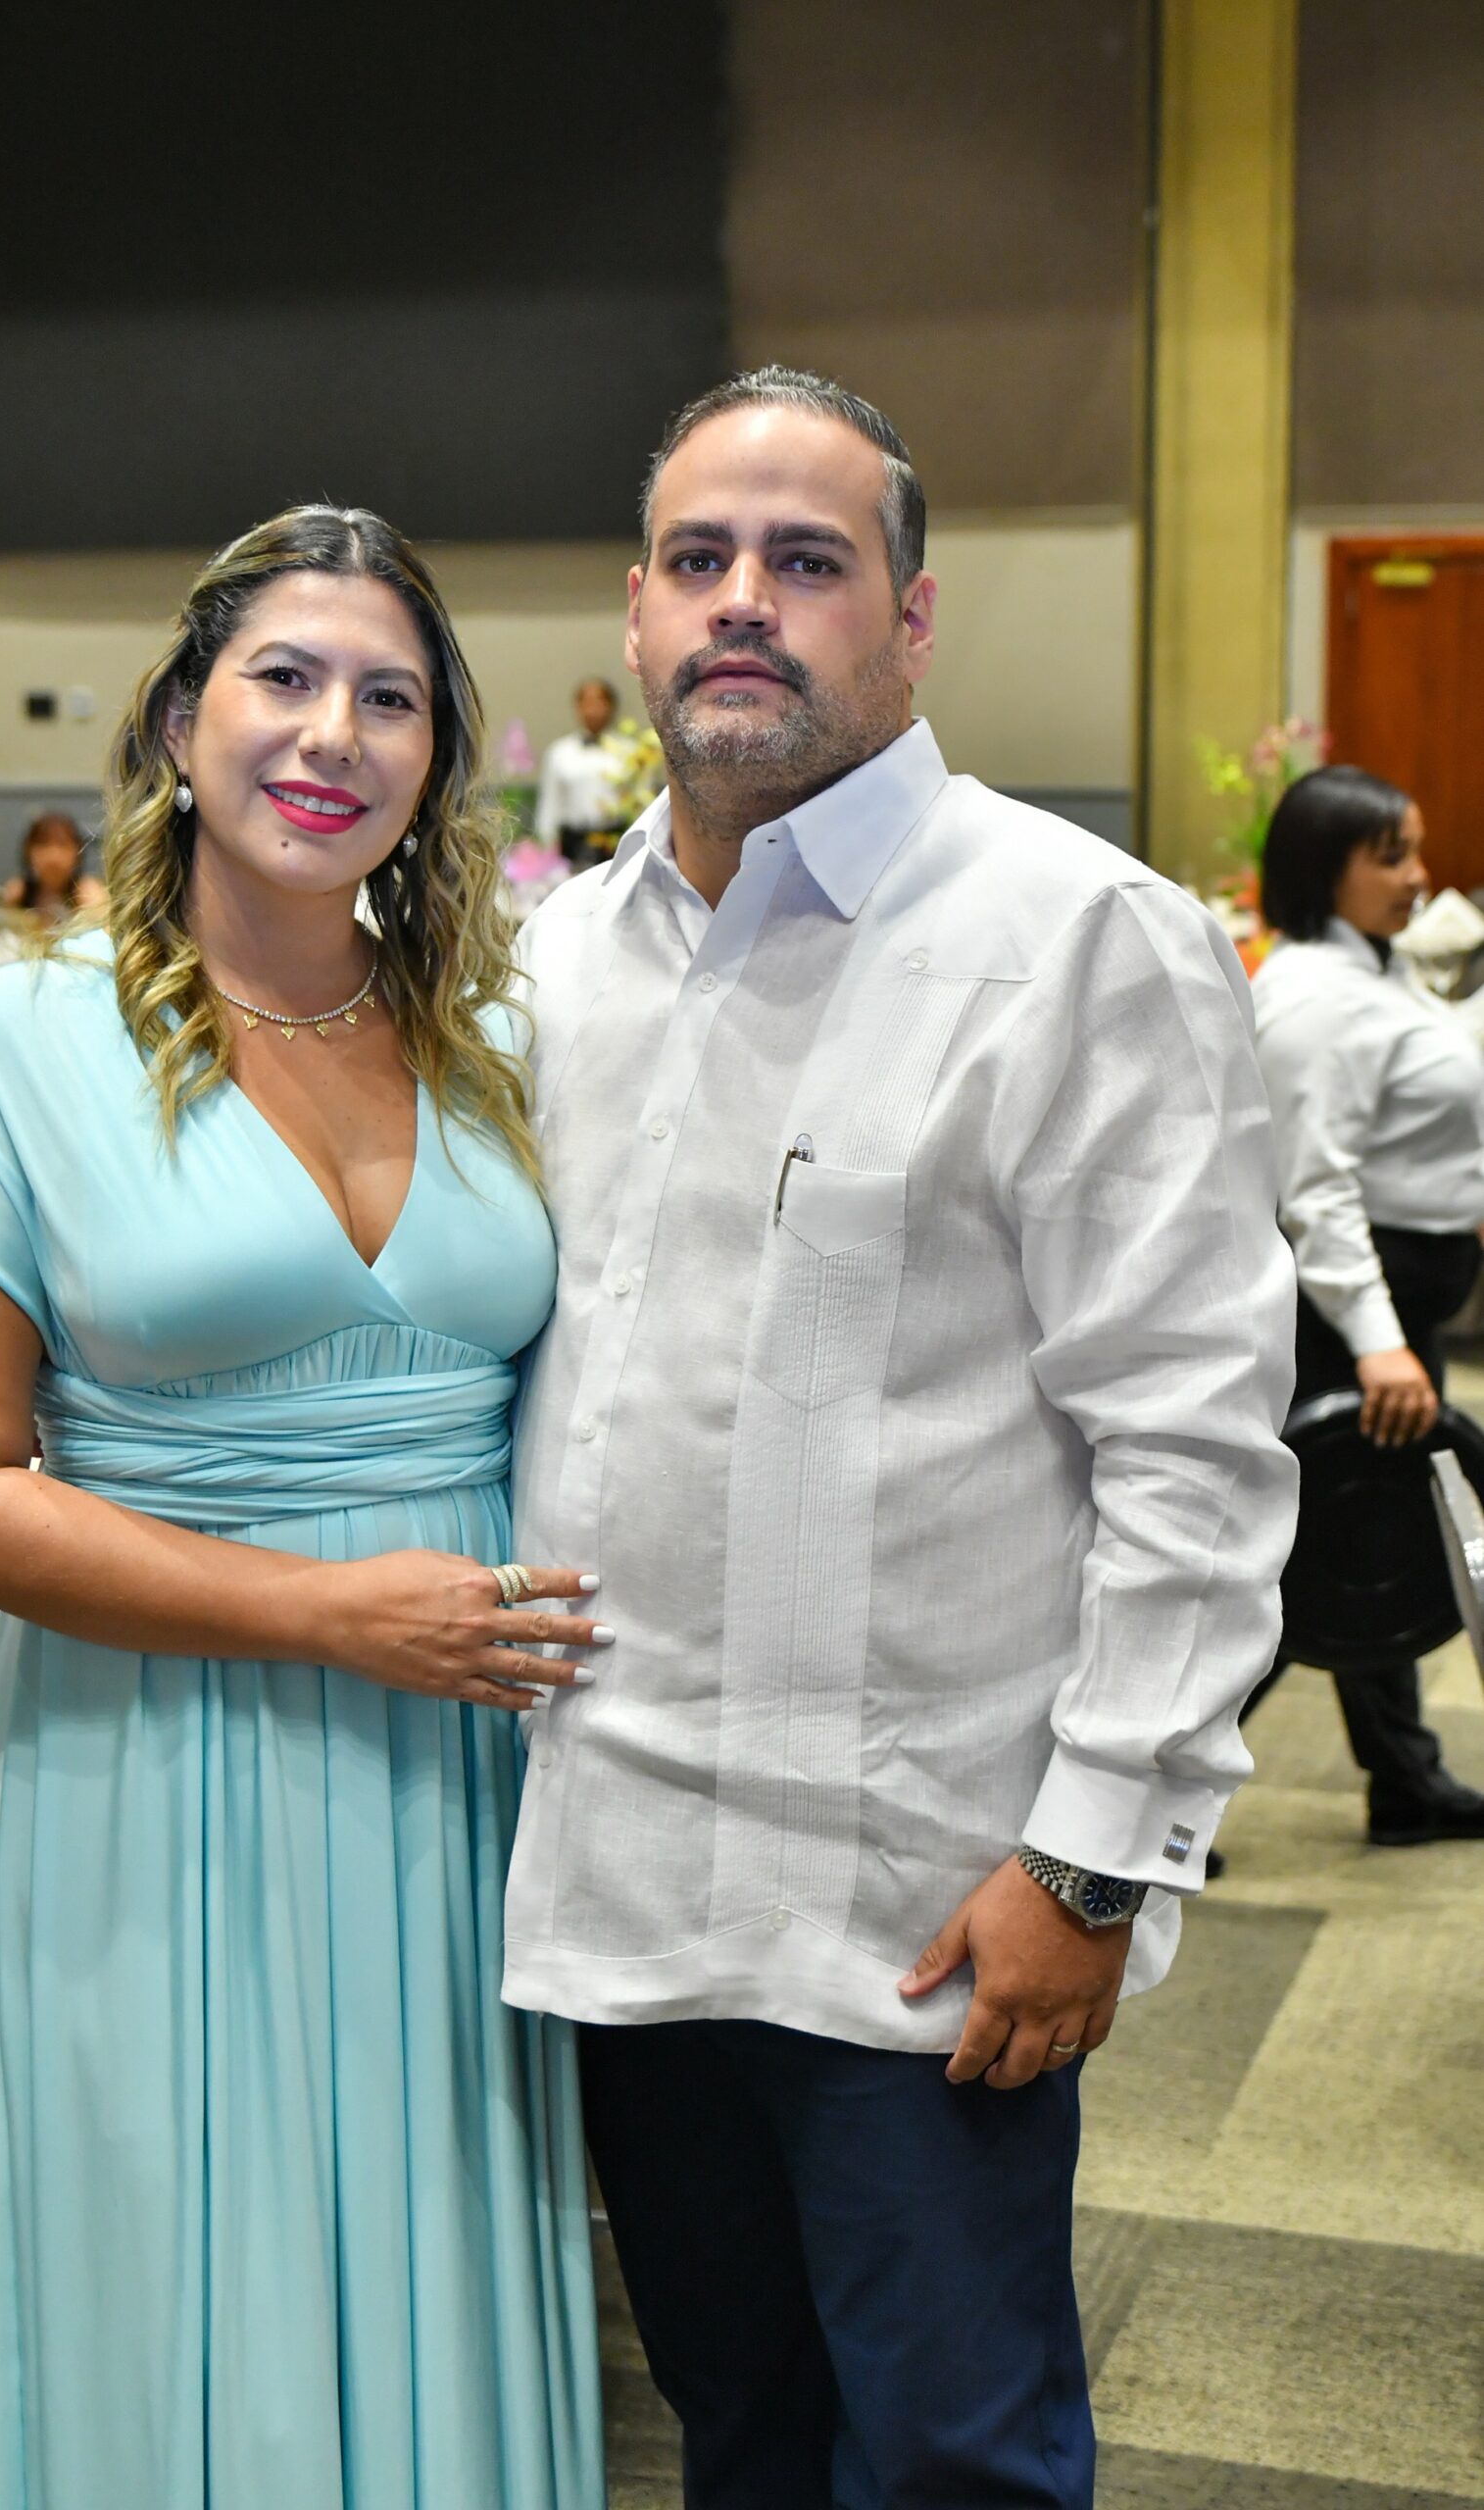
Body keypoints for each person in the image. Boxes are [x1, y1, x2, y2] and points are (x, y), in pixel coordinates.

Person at [505, 367, 1299, 2509]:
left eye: (807, 560)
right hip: (621, 1882)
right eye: (696, 558)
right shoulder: (563, 955)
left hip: (919, 1900)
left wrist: (1091, 1854)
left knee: (953, 2462)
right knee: (738, 2441)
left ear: (912, 618)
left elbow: (1197, 1448)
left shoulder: (1070, 937)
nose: (740, 602)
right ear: (636, 613)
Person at [0, 505, 608, 2510]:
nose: (332, 733)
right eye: (283, 677)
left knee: (441, 2237)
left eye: (390, 697)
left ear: (438, 758)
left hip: (457, 1781)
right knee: (182, 2260)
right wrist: (328, 1614)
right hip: (158, 1760)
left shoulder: (501, 1042)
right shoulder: (21, 1041)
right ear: (182, 721)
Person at [1251, 763, 1484, 1845]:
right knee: (1303, 1561)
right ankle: (1141, 1803)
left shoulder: (1372, 969)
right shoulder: (1314, 999)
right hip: (1348, 1315)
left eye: (1415, 851)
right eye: (1391, 857)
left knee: (1375, 1534)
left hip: (1390, 1306)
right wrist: (1380, 1344)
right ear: (1321, 869)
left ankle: (1404, 1782)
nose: (1417, 876)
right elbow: (1316, 1194)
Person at [534, 676, 625, 864]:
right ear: (577, 706)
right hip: (572, 843)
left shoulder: (628, 752)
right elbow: (550, 803)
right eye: (587, 702)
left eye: (600, 702)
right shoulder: (559, 752)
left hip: (614, 842)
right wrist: (547, 845)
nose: (593, 710)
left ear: (611, 706)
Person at [0, 809, 107, 925]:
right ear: (28, 850)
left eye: (63, 845)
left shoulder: (87, 893)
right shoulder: (18, 893)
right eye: (43, 844)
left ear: (78, 851)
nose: (53, 855)